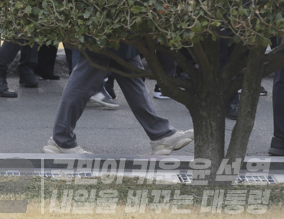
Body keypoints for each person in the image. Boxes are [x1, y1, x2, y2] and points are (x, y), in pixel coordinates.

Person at [43, 45, 193, 155]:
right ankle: (61, 138)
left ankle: (161, 133)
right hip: (106, 23)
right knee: (84, 79)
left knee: (131, 76)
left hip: (115, 26)